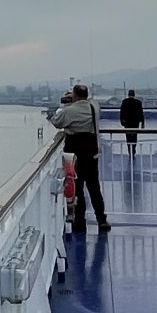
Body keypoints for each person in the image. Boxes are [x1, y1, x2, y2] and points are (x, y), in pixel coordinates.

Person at [51, 85, 109, 233]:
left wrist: (65, 105)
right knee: (94, 188)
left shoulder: (69, 111)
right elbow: (90, 101)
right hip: (91, 153)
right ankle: (102, 220)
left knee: (77, 189)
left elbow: (56, 122)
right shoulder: (94, 107)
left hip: (74, 155)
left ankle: (79, 221)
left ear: (75, 95)